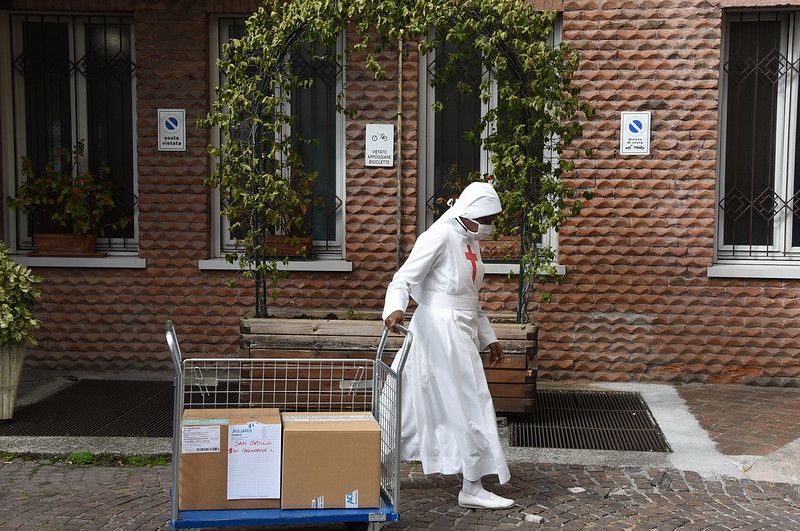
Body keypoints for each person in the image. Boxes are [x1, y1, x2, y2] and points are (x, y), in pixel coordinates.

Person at [382, 181, 513, 510]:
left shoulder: (470, 240)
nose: (490, 225)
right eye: (487, 218)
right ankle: (471, 485)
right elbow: (403, 279)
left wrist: (489, 336)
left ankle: (376, 462)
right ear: (470, 213)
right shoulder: (438, 236)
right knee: (466, 402)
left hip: (460, 331)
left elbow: (469, 299)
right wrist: (395, 308)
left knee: (418, 401)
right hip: (437, 330)